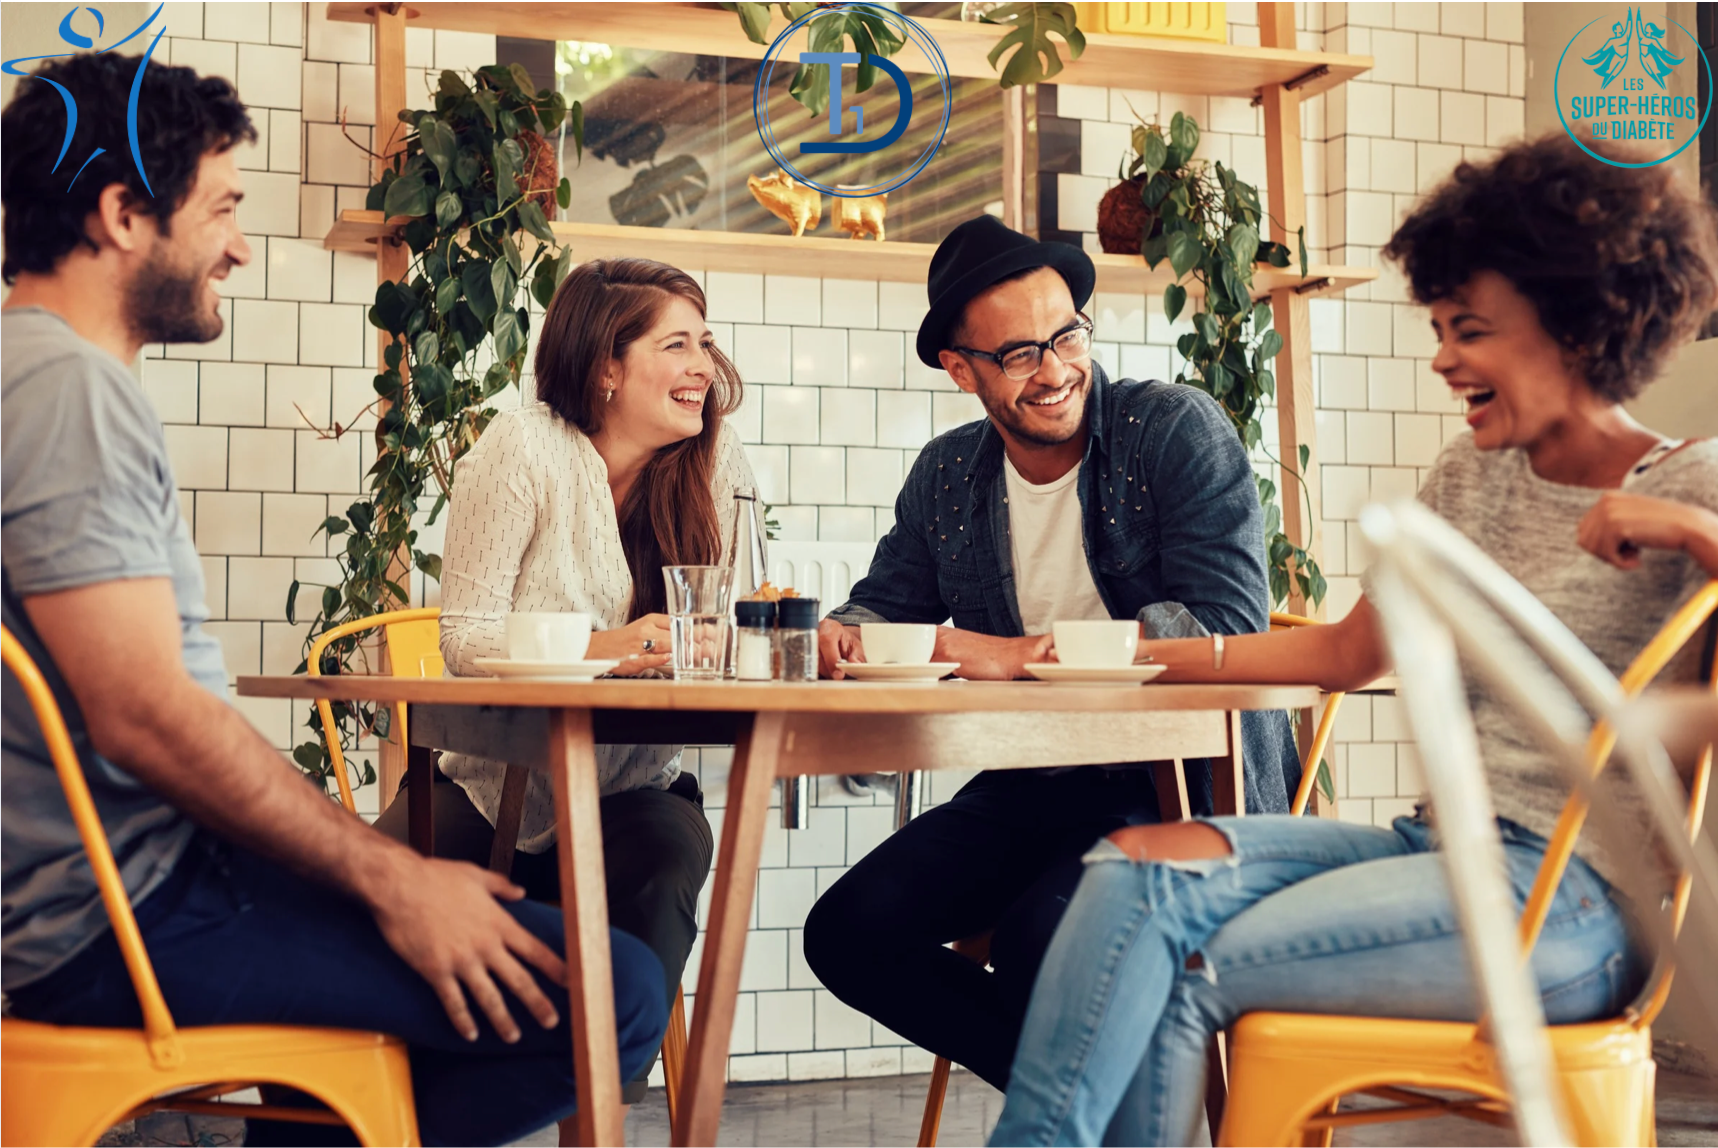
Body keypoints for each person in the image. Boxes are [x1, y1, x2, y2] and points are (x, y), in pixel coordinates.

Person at [989, 134, 1718, 1147]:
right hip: (1433, 849)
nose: (1441, 357)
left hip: (1571, 907)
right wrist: (1093, 650)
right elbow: (1339, 655)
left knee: (1170, 950)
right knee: (1131, 871)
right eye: (1438, 326)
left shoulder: (1693, 481)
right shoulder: (1471, 475)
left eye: (1469, 330)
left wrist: (1696, 535)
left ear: (1570, 326)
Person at [0, 54, 666, 1147]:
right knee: (615, 990)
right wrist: (393, 879)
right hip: (129, 915)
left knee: (497, 964)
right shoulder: (68, 391)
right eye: (220, 207)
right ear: (122, 214)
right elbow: (143, 711)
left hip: (122, 889)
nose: (239, 245)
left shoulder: (32, 375)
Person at [801, 215, 1300, 1090]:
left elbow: (1230, 631)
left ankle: (1092, 1109)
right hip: (1031, 782)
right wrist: (842, 630)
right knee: (849, 931)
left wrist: (1019, 655)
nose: (1058, 370)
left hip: (1179, 787)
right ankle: (1093, 1101)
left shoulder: (1174, 431)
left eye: (1067, 334)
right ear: (963, 370)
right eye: (1021, 354)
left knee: (1045, 941)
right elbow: (885, 605)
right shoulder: (947, 476)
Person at [375, 256, 756, 1106]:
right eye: (679, 343)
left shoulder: (717, 471)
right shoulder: (523, 447)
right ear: (606, 367)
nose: (706, 366)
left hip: (632, 790)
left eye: (707, 342)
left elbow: (733, 633)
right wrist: (614, 645)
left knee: (666, 866)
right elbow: (465, 639)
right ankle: (391, 1105)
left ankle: (586, 1093)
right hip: (484, 787)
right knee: (364, 903)